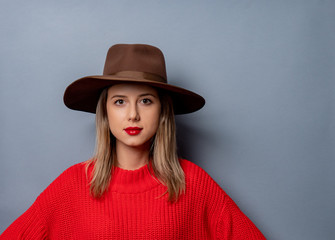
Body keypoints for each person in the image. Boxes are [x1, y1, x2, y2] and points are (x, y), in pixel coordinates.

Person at [1, 44, 266, 239]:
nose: (133, 114)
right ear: (105, 111)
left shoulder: (194, 183)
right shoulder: (72, 184)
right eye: (119, 102)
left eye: (146, 101)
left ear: (163, 111)